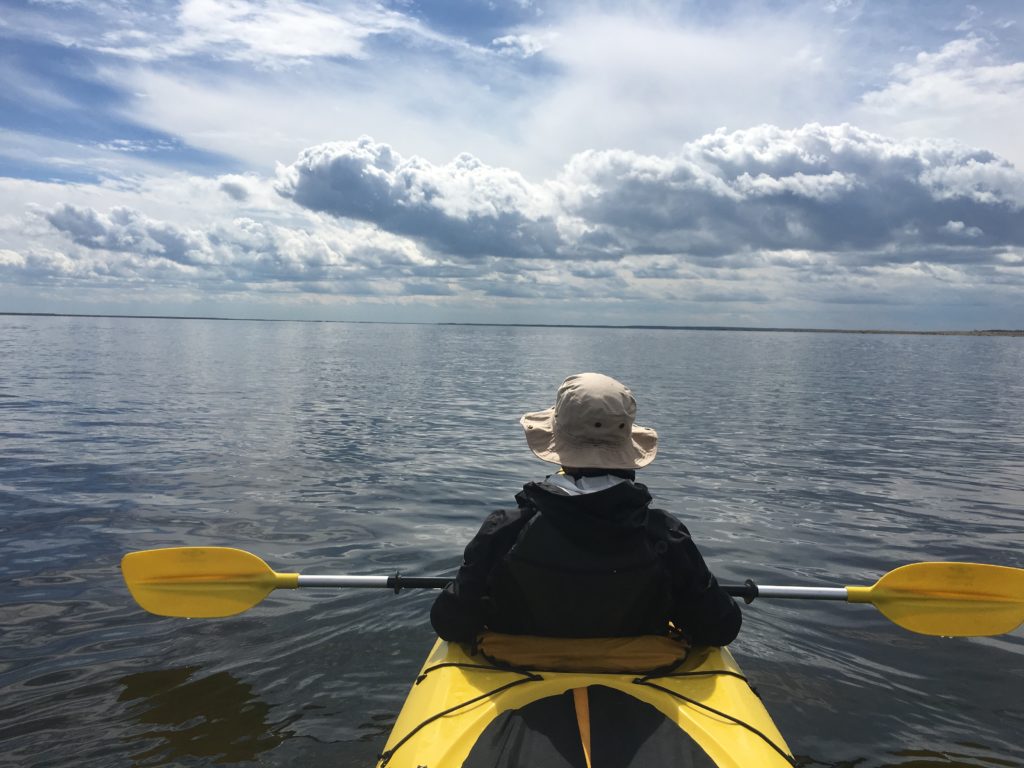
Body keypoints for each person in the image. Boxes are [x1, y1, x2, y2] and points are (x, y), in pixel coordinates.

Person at [430, 372, 741, 646]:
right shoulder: (664, 535)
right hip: (637, 691)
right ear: (625, 446)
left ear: (558, 446)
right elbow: (719, 628)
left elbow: (450, 623)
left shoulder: (505, 530)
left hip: (521, 677)